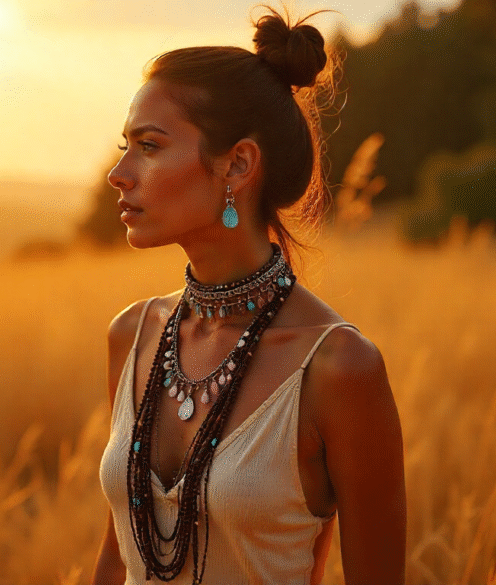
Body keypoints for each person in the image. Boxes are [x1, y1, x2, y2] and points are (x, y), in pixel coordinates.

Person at [92, 7, 405, 584]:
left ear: (237, 163)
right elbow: (118, 558)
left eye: (150, 146)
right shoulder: (131, 336)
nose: (120, 172)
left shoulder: (339, 368)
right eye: (125, 145)